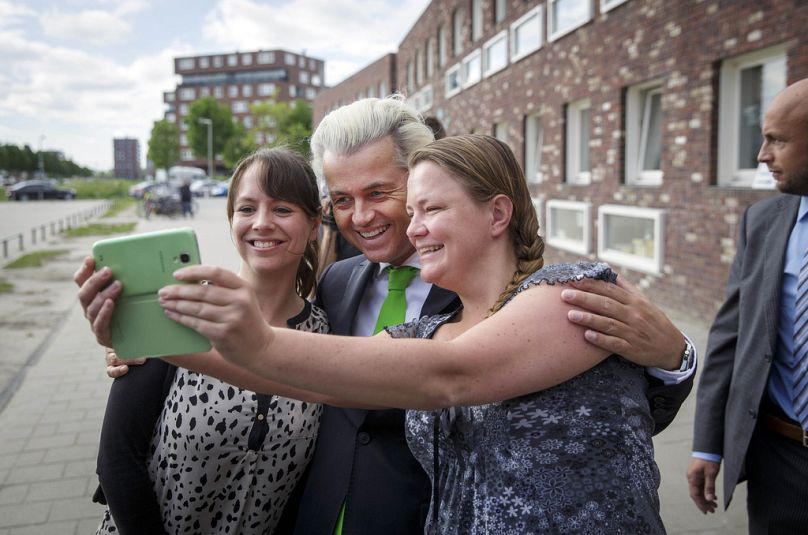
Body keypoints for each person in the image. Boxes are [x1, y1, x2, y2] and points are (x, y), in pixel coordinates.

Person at [82, 97, 694, 534]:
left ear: (489, 208)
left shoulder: (557, 294)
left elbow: (454, 377)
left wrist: (676, 357)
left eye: (386, 195)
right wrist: (148, 338)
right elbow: (304, 372)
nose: (364, 218)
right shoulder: (349, 285)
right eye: (341, 200)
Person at [86, 147, 330, 534]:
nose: (262, 223)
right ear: (231, 219)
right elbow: (117, 460)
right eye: (247, 209)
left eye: (283, 209)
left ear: (314, 223)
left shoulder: (324, 334)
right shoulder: (181, 309)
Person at [687, 78, 808, 532]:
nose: (761, 155)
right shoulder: (762, 221)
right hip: (781, 462)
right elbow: (729, 337)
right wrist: (707, 445)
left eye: (777, 139)